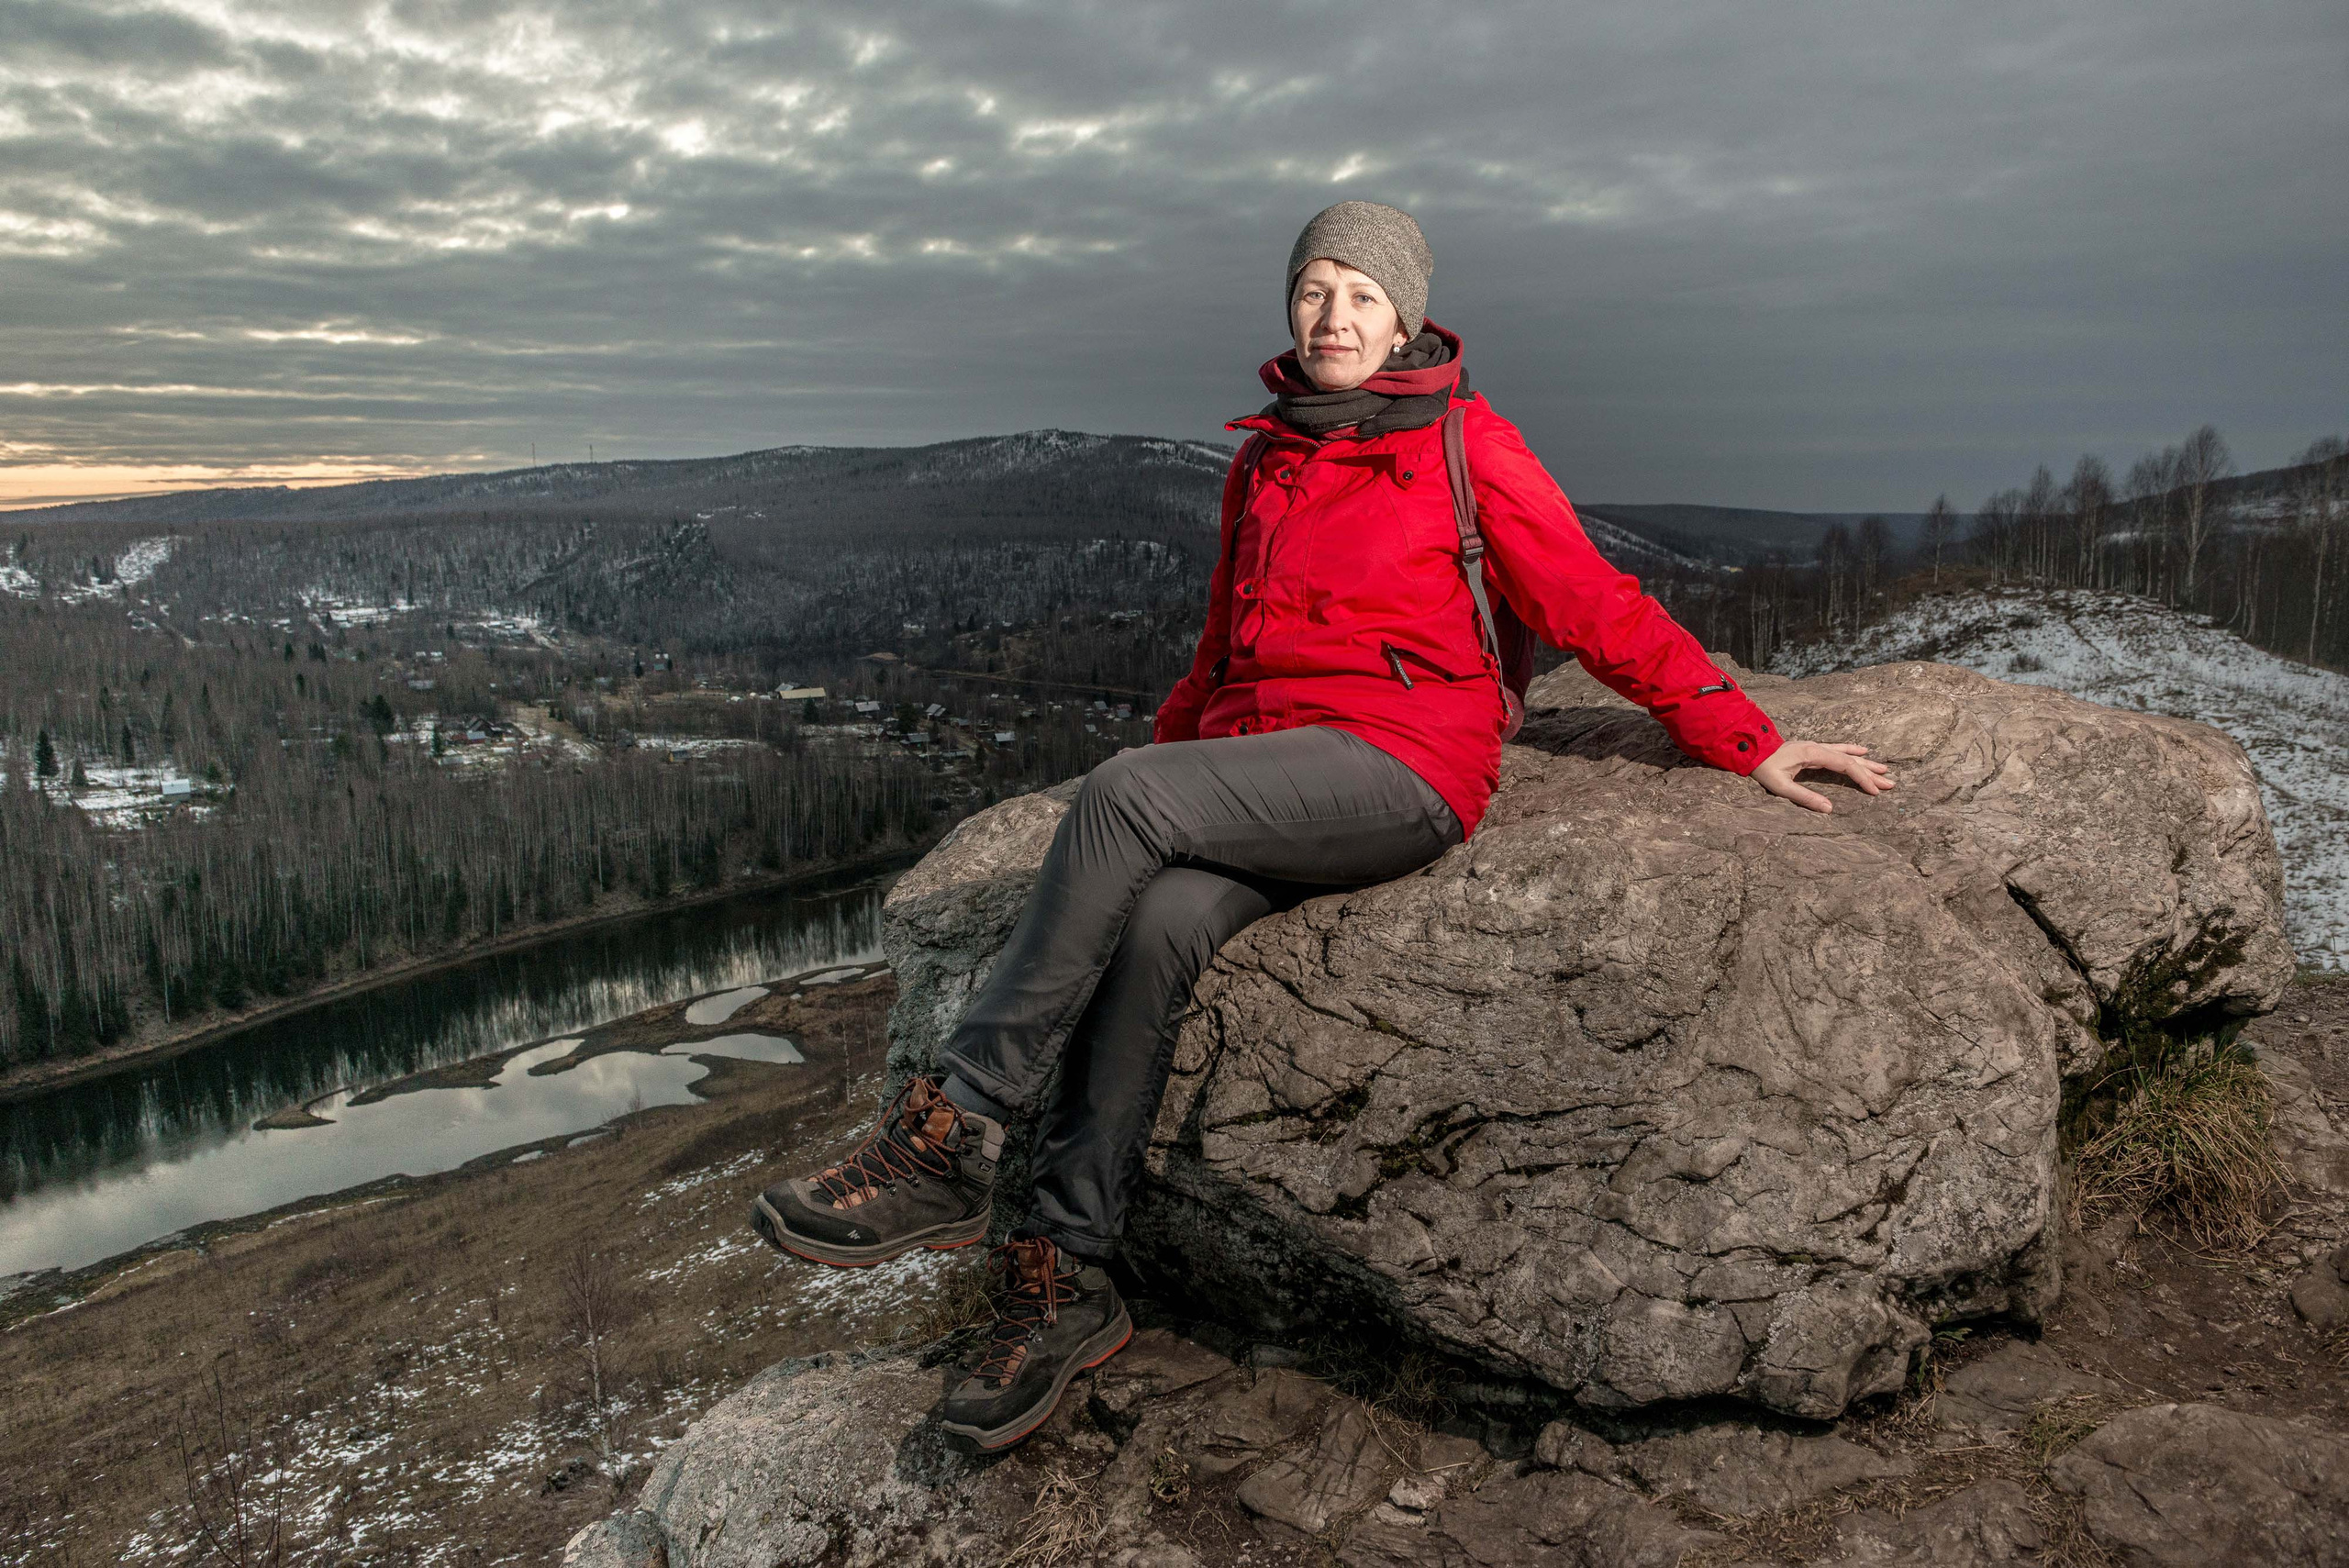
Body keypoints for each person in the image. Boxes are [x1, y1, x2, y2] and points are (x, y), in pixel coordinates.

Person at [751, 201, 1895, 1452]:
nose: (1333, 315)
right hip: (1275, 762)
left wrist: (1749, 734)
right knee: (1160, 918)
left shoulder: (1467, 444)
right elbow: (1218, 659)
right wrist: (1154, 778)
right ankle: (1063, 1275)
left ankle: (949, 1125)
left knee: (1130, 794)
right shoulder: (1267, 461)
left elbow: (1596, 602)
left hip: (1408, 765)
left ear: (1406, 318)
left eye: (1360, 294)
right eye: (1313, 292)